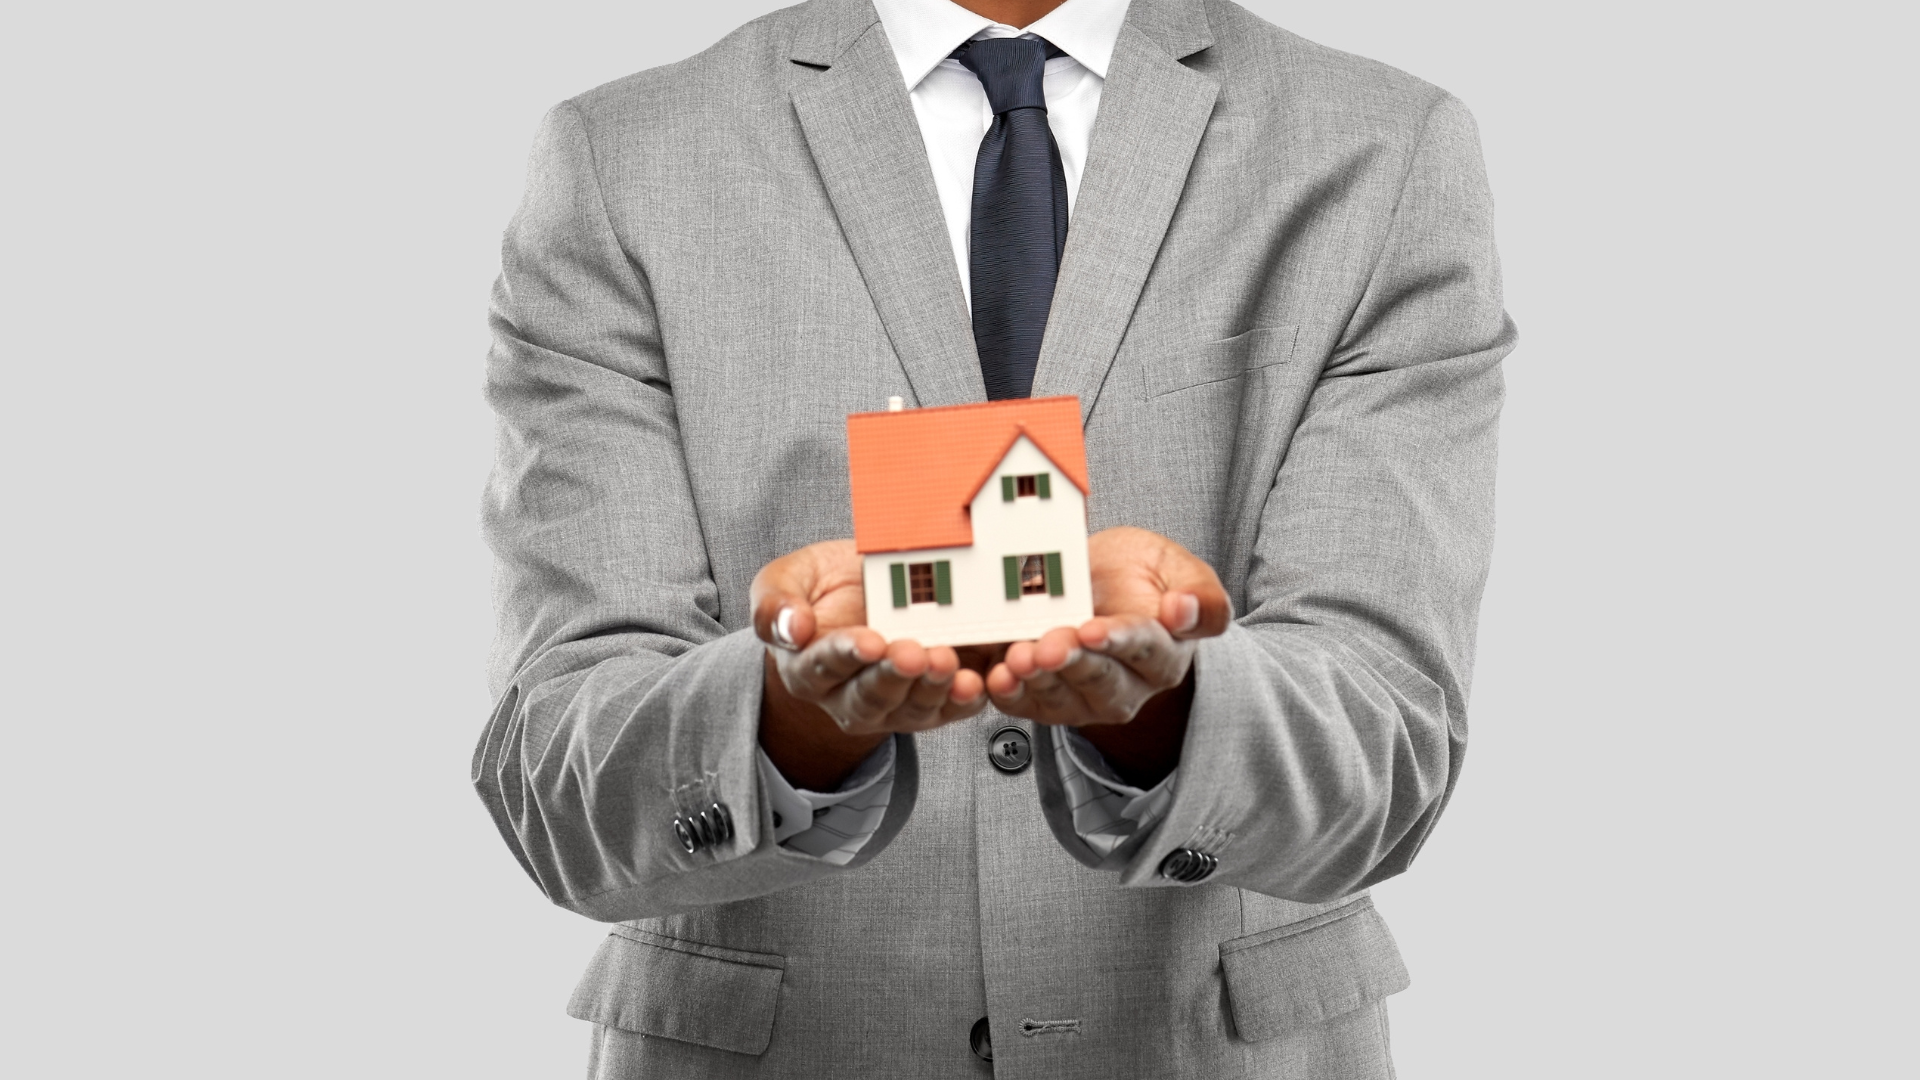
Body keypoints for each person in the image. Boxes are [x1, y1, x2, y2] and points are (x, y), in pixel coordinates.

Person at [473, 0, 1513, 1073]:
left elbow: (1391, 750)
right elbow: (558, 781)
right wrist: (789, 719)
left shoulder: (1383, 149)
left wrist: (1166, 711)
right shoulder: (624, 159)